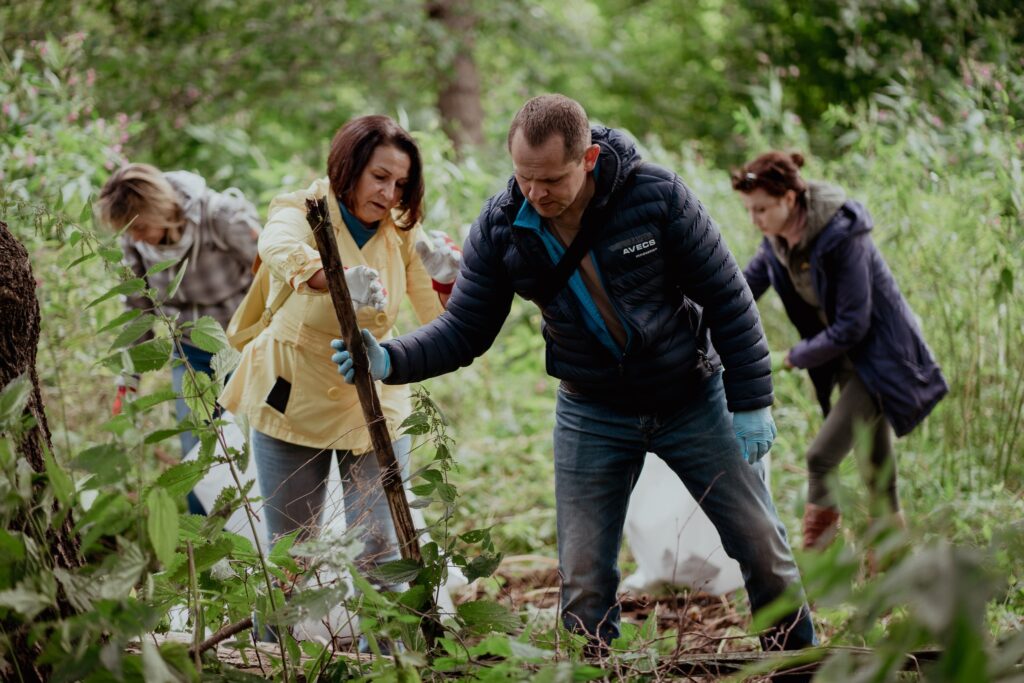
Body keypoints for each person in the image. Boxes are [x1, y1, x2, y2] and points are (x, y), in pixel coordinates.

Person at [332, 95, 816, 652]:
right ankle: (590, 664)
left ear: (586, 159)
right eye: (523, 177)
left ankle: (796, 661)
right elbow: (464, 329)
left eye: (551, 180)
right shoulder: (502, 226)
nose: (535, 194)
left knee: (760, 542)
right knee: (584, 577)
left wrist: (751, 400)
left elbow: (729, 299)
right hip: (592, 409)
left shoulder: (657, 196)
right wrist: (390, 359)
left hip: (690, 395)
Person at [218, 116, 459, 632]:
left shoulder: (402, 232)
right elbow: (277, 248)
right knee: (292, 557)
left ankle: (394, 661)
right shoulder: (301, 208)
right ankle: (272, 654)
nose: (390, 192)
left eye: (401, 183)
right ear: (348, 166)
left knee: (379, 550)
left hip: (373, 394)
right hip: (291, 390)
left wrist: (448, 280)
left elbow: (439, 325)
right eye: (379, 177)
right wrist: (335, 277)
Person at [732, 151, 948, 550]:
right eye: (749, 210)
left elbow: (854, 324)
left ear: (790, 199)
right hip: (849, 361)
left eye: (762, 209)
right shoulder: (776, 245)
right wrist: (698, 311)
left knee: (820, 458)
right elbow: (739, 291)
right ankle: (895, 565)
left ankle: (820, 573)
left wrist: (792, 357)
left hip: (884, 360)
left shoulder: (842, 234)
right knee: (875, 468)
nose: (755, 220)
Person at [96, 163, 262, 514]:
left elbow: (273, 272)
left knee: (256, 446)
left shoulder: (218, 218)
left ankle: (268, 547)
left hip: (247, 348)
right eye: (130, 231)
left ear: (159, 207)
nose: (136, 236)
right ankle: (210, 548)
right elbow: (140, 311)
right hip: (190, 355)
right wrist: (128, 380)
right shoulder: (136, 242)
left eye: (141, 226)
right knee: (198, 456)